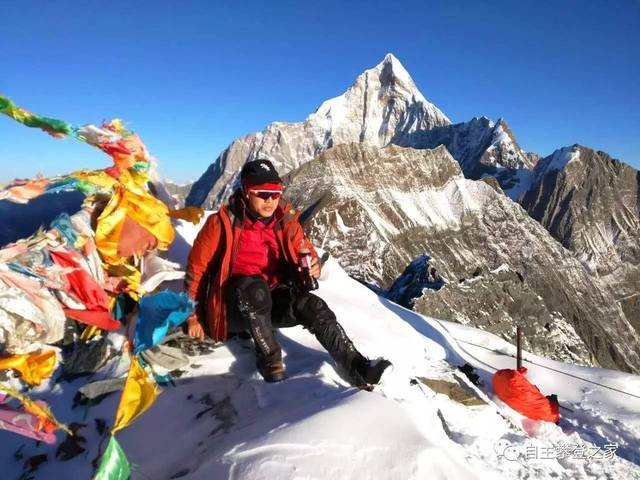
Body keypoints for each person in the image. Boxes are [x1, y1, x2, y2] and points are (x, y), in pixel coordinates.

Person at [184, 159, 390, 386]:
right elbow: (197, 271)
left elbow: (304, 249)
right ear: (245, 191)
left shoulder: (285, 220)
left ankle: (358, 367)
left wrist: (314, 265)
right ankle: (270, 362)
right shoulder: (221, 224)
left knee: (313, 306)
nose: (270, 200)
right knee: (254, 288)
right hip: (233, 309)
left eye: (275, 193)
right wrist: (193, 317)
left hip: (271, 302)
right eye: (262, 193)